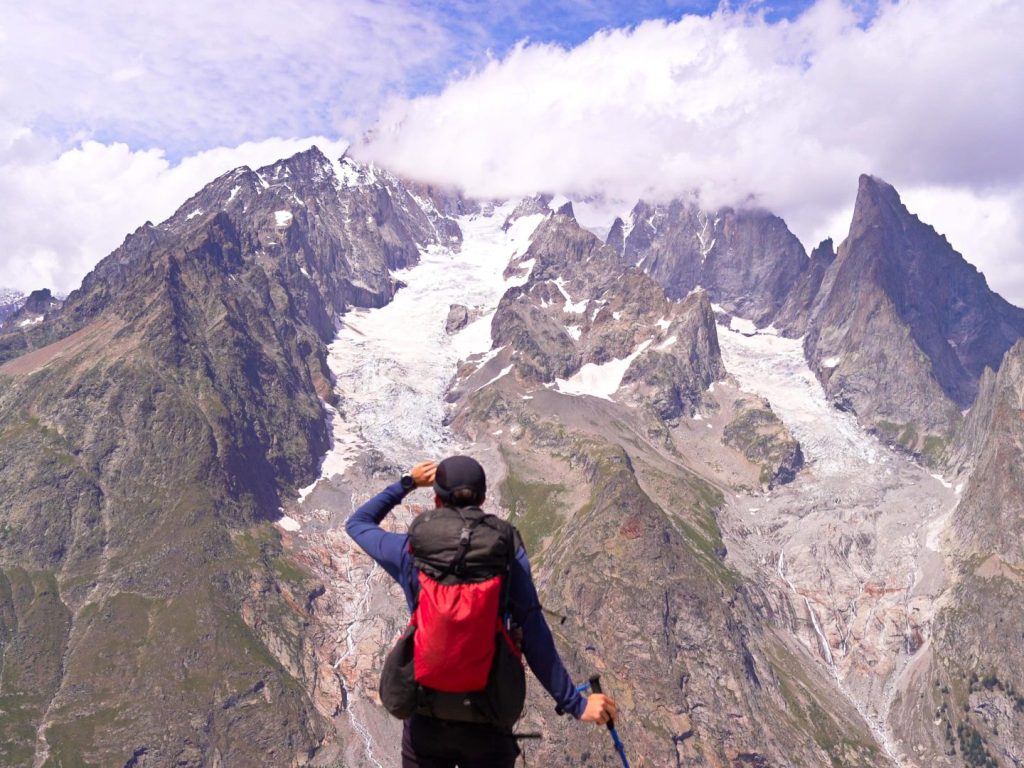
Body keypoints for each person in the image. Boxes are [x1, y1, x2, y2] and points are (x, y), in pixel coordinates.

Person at [346, 455, 618, 768]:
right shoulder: (506, 552)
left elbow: (358, 524)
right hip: (489, 716)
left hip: (426, 716)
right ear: (483, 498)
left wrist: (407, 483)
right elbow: (533, 630)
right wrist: (575, 703)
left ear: (436, 497)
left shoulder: (411, 550)